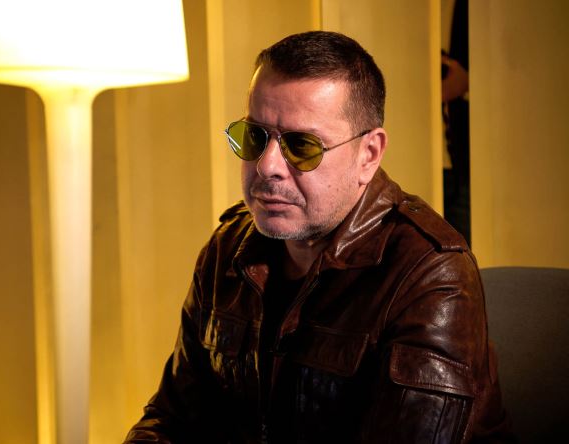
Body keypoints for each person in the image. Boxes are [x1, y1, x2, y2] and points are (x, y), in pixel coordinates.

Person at [124, 31, 512, 443]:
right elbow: (171, 419)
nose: (267, 166)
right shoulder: (229, 246)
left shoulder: (430, 275)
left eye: (302, 146)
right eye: (254, 137)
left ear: (368, 154)